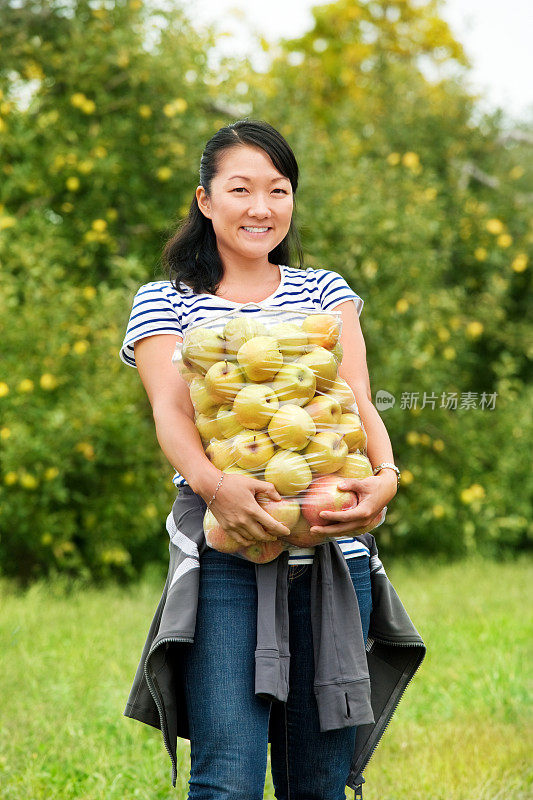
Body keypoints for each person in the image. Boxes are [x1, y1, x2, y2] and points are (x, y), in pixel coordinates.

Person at [120, 119, 404, 799]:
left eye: (277, 190)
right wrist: (217, 488)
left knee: (319, 784)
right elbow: (173, 413)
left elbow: (358, 400)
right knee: (227, 781)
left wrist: (385, 479)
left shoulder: (323, 293)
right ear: (205, 199)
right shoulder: (164, 301)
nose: (261, 207)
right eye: (240, 188)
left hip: (333, 548)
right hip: (226, 547)